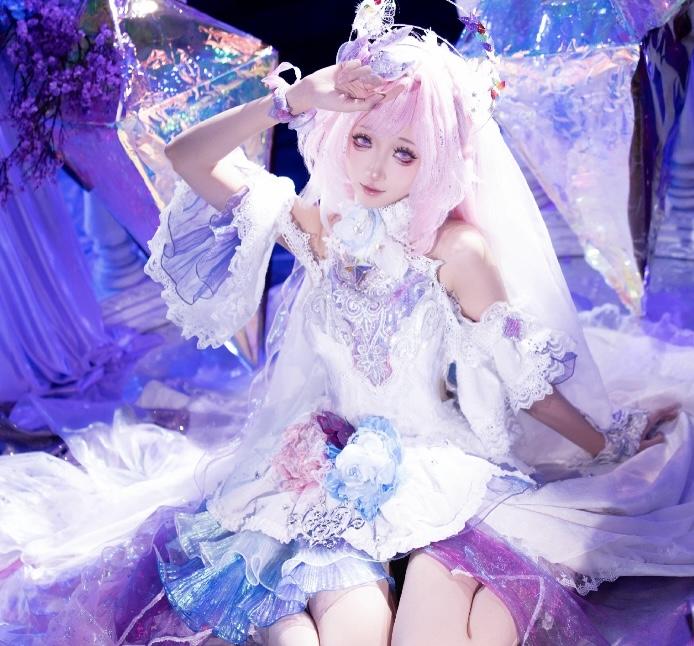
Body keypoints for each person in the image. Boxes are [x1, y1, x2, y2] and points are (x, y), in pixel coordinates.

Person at [142, 3, 693, 645]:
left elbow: (524, 384)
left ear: (436, 160)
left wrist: (607, 447)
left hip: (440, 474)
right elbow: (186, 156)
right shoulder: (320, 229)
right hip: (332, 472)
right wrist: (295, 99)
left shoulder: (456, 251)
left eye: (404, 153)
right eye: (363, 140)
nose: (375, 169)